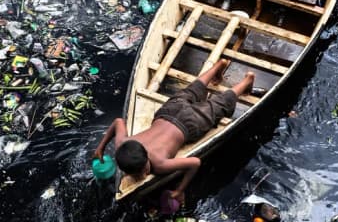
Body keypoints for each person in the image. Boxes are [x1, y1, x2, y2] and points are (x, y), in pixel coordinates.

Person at [92, 59, 255, 203]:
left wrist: (180, 190)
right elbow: (118, 122)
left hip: (190, 124)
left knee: (219, 104)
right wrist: (101, 148)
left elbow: (195, 163)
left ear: (147, 160)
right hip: (169, 111)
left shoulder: (160, 164)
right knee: (191, 91)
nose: (145, 173)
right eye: (138, 175)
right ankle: (219, 66)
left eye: (144, 170)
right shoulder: (123, 143)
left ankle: (247, 81)